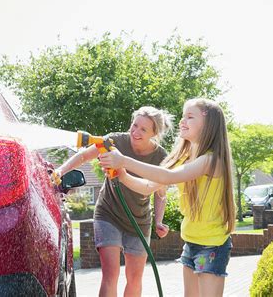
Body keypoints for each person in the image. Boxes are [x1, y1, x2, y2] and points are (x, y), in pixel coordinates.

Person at [99, 98, 236, 297]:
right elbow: (148, 187)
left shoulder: (211, 159)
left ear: (209, 125)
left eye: (190, 117)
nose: (182, 121)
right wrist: (122, 174)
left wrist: (124, 161)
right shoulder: (183, 157)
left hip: (213, 245)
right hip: (191, 242)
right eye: (183, 116)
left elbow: (169, 177)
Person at [56, 106, 173, 297]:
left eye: (143, 129)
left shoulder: (160, 156)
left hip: (139, 221)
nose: (136, 132)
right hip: (108, 214)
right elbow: (84, 155)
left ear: (154, 133)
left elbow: (160, 192)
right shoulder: (115, 141)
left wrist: (159, 221)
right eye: (134, 125)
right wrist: (61, 171)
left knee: (135, 279)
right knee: (111, 274)